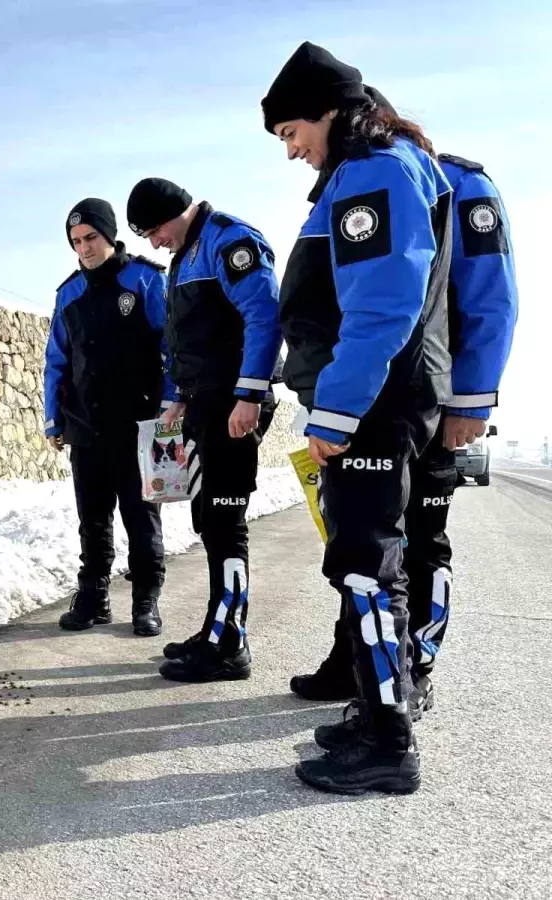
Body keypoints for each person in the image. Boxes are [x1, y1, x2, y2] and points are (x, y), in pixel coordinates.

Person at [289, 86, 519, 721]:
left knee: (417, 544)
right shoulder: (354, 182)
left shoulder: (456, 183)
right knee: (370, 543)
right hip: (381, 393)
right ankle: (362, 673)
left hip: (427, 397)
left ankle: (411, 675)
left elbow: (488, 301)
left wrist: (470, 401)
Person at [263, 41, 454, 794]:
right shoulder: (376, 168)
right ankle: (378, 708)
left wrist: (337, 413)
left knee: (366, 569)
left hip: (372, 405)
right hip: (379, 401)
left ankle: (386, 740)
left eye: (290, 133)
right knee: (371, 563)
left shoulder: (374, 172)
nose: (291, 152)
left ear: (329, 110)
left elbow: (381, 306)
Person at [125, 178, 282, 682]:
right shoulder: (185, 256)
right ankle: (216, 628)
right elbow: (183, 338)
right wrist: (175, 397)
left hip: (233, 405)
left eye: (154, 230)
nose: (153, 242)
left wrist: (250, 394)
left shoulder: (228, 242)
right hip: (204, 405)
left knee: (225, 523)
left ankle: (230, 644)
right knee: (209, 522)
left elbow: (264, 316)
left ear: (177, 212)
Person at [44, 198, 174, 637]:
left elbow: (170, 349)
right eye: (76, 242)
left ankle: (145, 600)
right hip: (86, 428)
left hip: (140, 426)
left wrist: (169, 406)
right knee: (93, 519)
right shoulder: (68, 294)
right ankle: (93, 597)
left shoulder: (144, 280)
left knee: (142, 518)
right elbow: (56, 362)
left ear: (109, 235)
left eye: (91, 238)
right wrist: (53, 418)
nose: (84, 248)